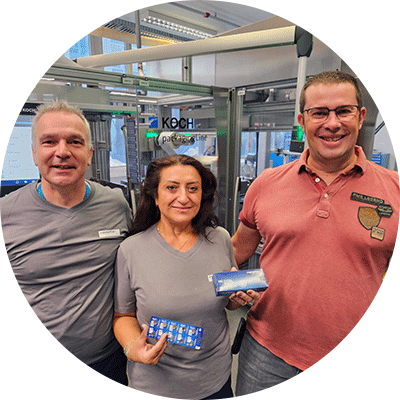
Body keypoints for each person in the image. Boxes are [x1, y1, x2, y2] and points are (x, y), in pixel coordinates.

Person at [232, 70, 399, 394]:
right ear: (302, 120)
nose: (332, 123)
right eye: (319, 112)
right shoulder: (266, 184)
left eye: (343, 111)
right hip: (266, 352)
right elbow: (237, 251)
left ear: (360, 116)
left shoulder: (394, 189)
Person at [1, 100, 133, 384]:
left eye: (74, 142)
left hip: (108, 364)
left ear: (89, 154)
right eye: (49, 142)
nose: (62, 152)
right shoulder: (6, 214)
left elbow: (139, 264)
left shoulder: (115, 204)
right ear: (34, 154)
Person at [113, 154, 259, 399]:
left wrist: (237, 299)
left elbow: (228, 302)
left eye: (193, 188)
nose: (183, 197)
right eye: (171, 188)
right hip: (156, 384)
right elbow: (123, 316)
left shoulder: (220, 238)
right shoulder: (131, 250)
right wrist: (133, 349)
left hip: (215, 380)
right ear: (155, 196)